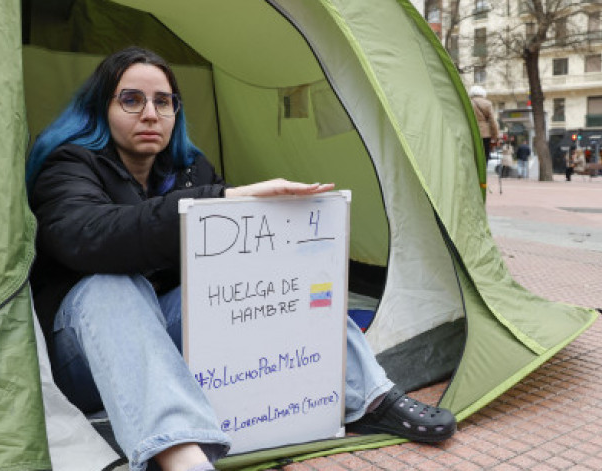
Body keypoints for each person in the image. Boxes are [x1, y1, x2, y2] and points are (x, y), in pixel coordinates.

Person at [26, 47, 456, 471]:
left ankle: (372, 397)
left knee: (281, 273)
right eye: (131, 99)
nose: (151, 114)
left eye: (164, 101)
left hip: (162, 334)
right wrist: (218, 201)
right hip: (85, 351)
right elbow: (85, 236)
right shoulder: (68, 163)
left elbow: (231, 258)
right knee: (111, 285)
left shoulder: (189, 168)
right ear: (101, 108)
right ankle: (182, 456)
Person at [469, 85, 499, 161]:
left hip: (471, 132)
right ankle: (483, 171)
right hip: (485, 134)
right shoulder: (487, 104)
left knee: (473, 156)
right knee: (484, 156)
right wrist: (495, 135)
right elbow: (492, 121)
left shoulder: (468, 103)